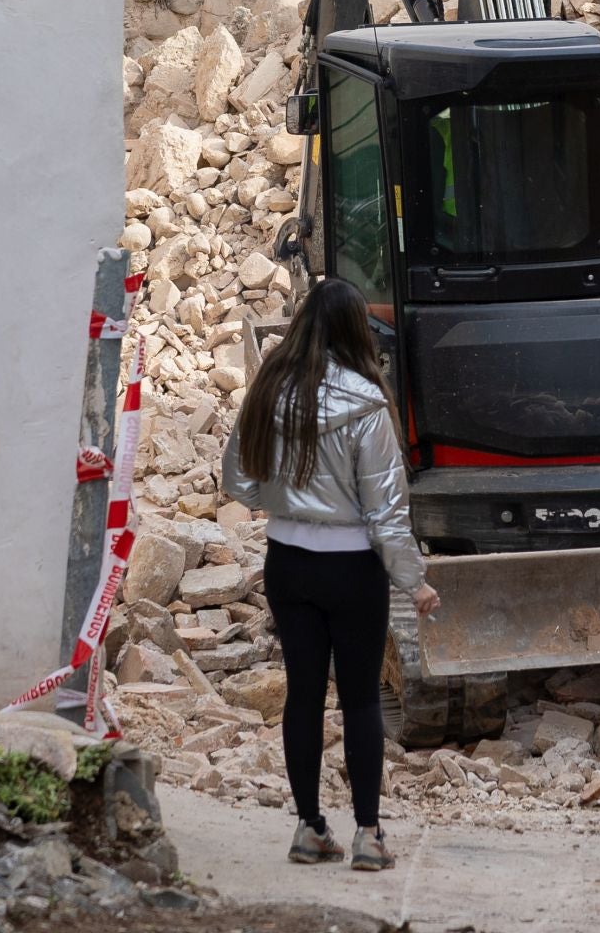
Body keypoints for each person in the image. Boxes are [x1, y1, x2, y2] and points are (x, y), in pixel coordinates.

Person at [223, 276, 438, 872]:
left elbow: (238, 480)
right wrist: (412, 580)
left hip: (287, 562)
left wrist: (287, 496)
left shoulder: (268, 389)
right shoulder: (368, 402)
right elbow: (387, 511)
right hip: (352, 570)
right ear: (355, 330)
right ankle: (368, 834)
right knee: (362, 699)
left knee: (303, 695)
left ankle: (309, 828)